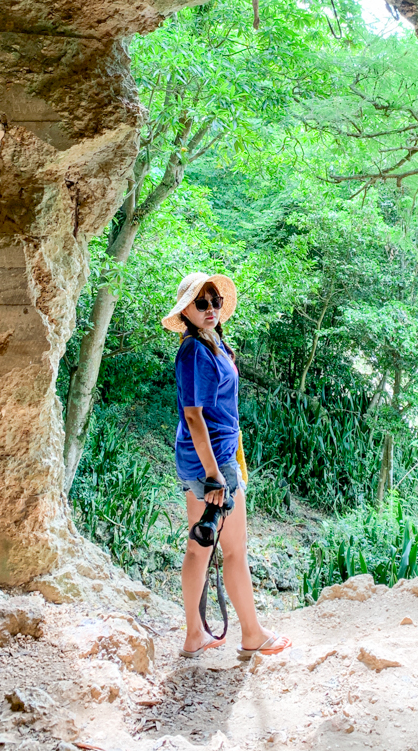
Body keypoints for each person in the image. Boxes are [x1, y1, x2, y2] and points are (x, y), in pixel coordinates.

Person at [162, 271, 292, 660]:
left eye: (215, 300)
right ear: (185, 309)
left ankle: (195, 636)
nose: (211, 308)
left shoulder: (211, 343)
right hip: (212, 459)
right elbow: (194, 416)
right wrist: (216, 475)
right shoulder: (195, 351)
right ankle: (251, 634)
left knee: (200, 544)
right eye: (201, 303)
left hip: (210, 454)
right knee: (233, 550)